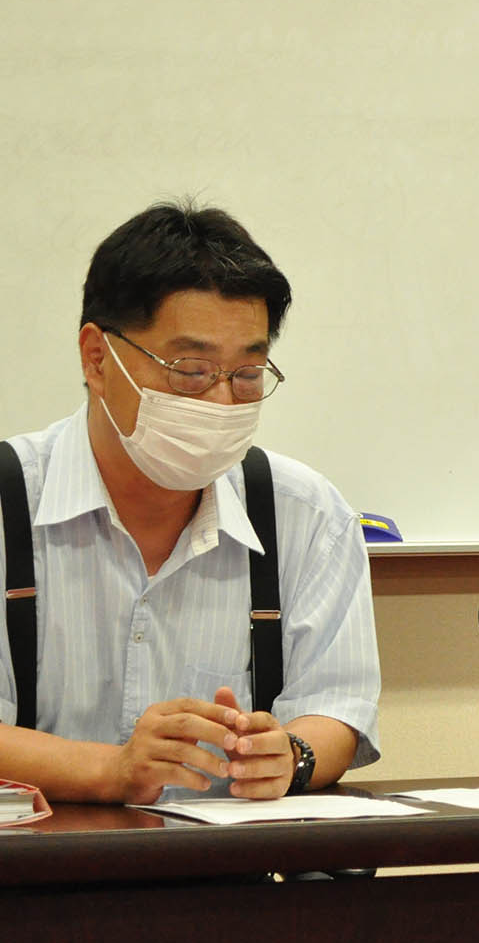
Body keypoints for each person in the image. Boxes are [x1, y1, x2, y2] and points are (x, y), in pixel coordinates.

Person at [0, 201, 380, 803]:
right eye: (191, 370)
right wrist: (114, 769)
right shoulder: (7, 505)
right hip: (32, 881)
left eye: (249, 373)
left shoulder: (304, 512)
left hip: (227, 879)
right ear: (97, 358)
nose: (223, 402)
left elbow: (337, 710)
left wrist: (288, 755)